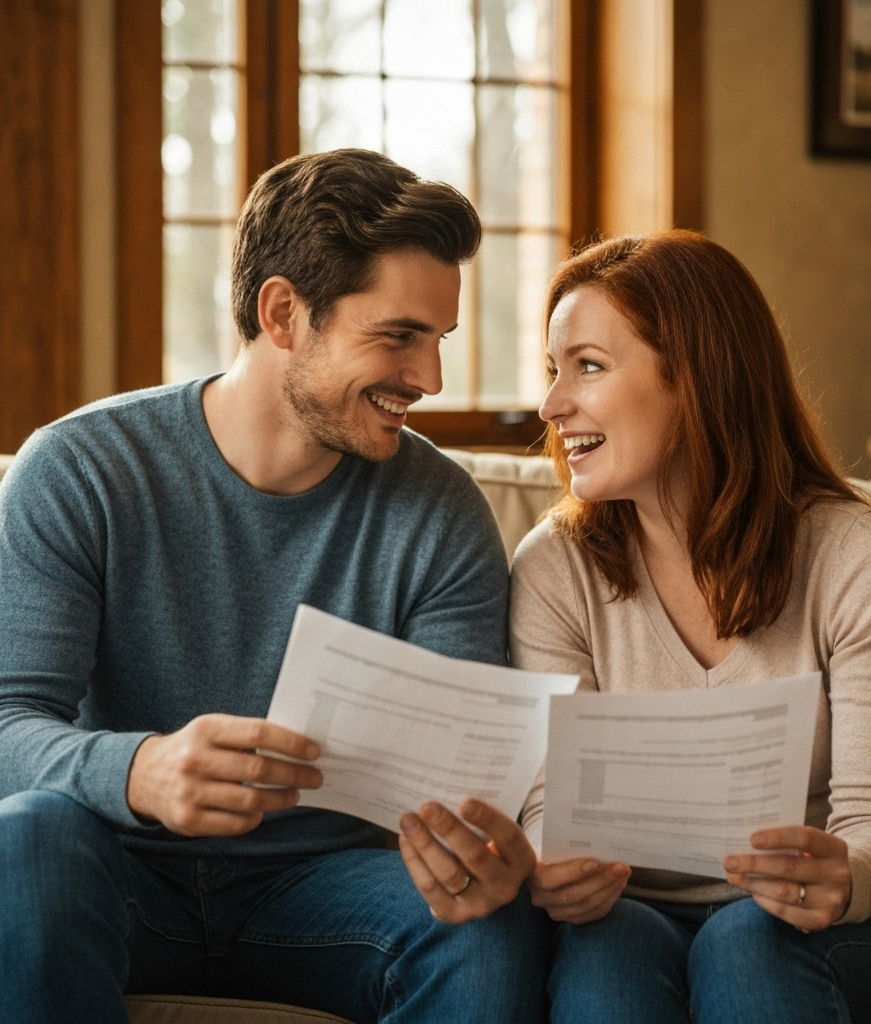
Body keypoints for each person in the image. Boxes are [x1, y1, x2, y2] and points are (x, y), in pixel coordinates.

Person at [0, 149, 546, 1024]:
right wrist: (139, 770)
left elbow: (456, 783)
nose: (429, 380)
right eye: (398, 335)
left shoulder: (441, 513)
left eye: (438, 340)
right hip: (118, 870)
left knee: (485, 924)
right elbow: (5, 724)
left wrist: (482, 851)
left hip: (332, 891)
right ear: (284, 312)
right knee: (25, 839)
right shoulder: (80, 470)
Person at [509, 231, 871, 1023]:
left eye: (588, 365)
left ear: (697, 378)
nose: (551, 406)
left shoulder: (853, 551)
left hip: (845, 926)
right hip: (633, 914)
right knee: (603, 965)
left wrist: (840, 875)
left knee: (745, 944)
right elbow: (552, 806)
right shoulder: (555, 567)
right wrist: (556, 863)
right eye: (554, 370)